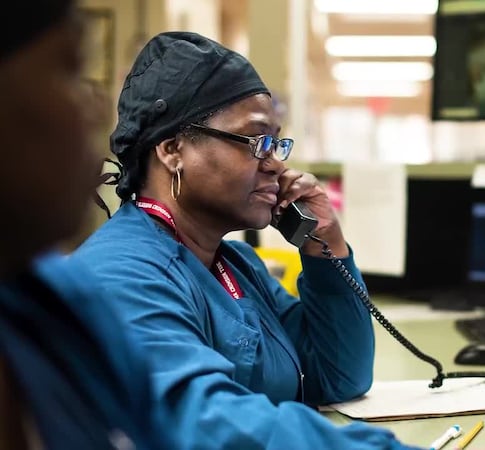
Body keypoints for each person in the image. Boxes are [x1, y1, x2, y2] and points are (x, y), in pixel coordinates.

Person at [71, 31, 422, 449]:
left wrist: (323, 242)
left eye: (276, 143)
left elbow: (339, 376)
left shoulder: (235, 264)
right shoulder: (121, 275)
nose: (276, 164)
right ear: (172, 149)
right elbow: (207, 425)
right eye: (257, 141)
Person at [0, 1, 173, 448]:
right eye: (71, 70)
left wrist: (325, 255)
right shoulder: (117, 272)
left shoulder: (65, 301)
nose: (98, 110)